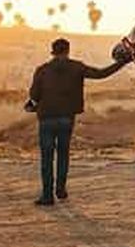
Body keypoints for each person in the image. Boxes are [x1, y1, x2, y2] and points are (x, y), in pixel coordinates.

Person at [25, 38, 127, 206]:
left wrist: (31, 105)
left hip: (47, 118)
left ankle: (47, 196)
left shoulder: (42, 70)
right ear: (67, 51)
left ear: (53, 51)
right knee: (63, 154)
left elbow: (34, 95)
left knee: (47, 158)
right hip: (66, 118)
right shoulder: (77, 67)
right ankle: (61, 190)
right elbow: (101, 74)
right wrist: (122, 62)